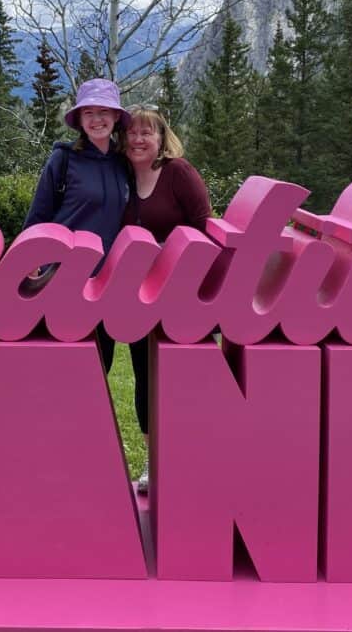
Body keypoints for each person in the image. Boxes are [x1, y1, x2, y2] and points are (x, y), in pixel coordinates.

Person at [119, 105, 211, 493]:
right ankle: (153, 463)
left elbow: (205, 227)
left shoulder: (178, 173)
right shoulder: (119, 175)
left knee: (185, 378)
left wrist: (167, 252)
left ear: (162, 138)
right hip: (137, 296)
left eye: (147, 133)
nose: (139, 139)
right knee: (145, 376)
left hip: (181, 294)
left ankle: (196, 460)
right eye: (133, 133)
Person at [22, 78, 131, 370]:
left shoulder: (125, 161)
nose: (97, 120)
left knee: (100, 365)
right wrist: (28, 262)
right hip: (64, 277)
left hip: (109, 282)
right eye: (89, 113)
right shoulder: (64, 159)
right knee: (65, 365)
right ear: (80, 119)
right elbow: (39, 215)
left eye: (104, 111)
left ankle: (92, 419)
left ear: (117, 116)